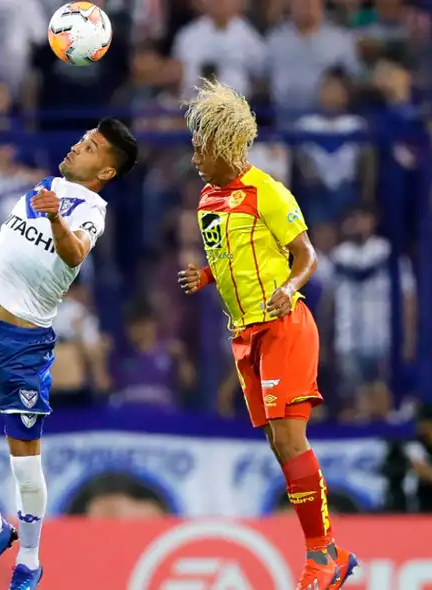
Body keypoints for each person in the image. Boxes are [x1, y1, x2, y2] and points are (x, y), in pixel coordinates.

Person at [0, 118, 138, 590]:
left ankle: (30, 561)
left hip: (24, 345)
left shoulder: (92, 210)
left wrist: (55, 217)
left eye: (91, 146)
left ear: (106, 171)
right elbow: (7, 244)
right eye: (83, 138)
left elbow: (73, 255)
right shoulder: (44, 187)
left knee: (25, 464)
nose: (77, 145)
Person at [176, 79, 355, 590]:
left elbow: (307, 256)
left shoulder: (268, 192)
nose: (194, 157)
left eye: (201, 147)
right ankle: (332, 554)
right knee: (278, 444)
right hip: (244, 335)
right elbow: (231, 258)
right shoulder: (208, 200)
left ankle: (321, 557)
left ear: (225, 146)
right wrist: (207, 276)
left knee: (291, 438)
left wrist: (289, 288)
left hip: (283, 326)